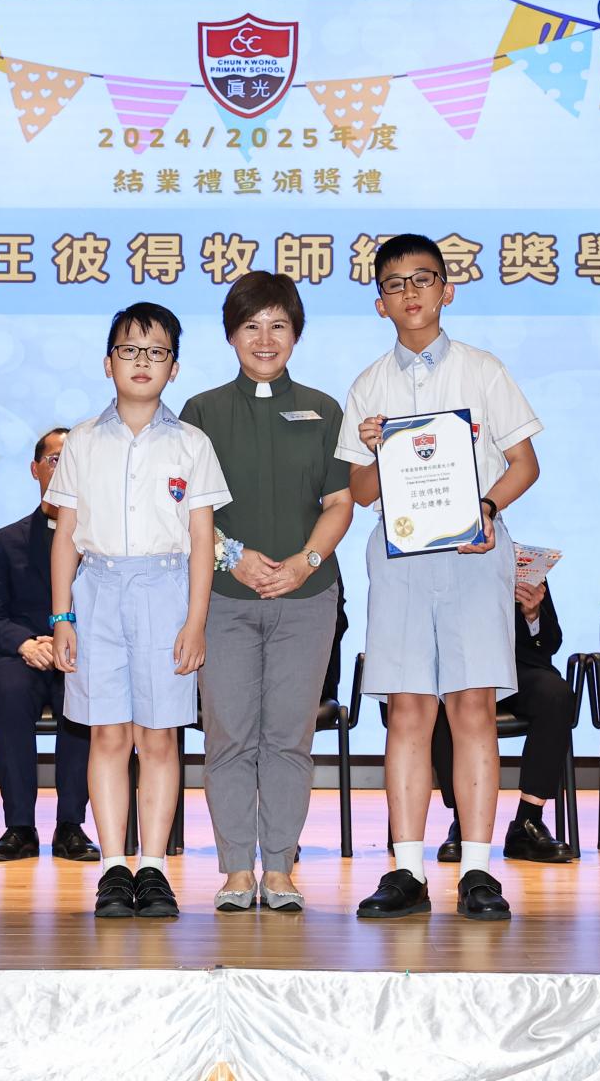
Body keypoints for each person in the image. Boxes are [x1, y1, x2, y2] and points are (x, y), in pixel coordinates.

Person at [338, 233, 541, 920]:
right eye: (395, 284)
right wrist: (373, 450)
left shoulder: (483, 370)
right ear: (380, 302)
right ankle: (406, 869)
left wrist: (486, 508)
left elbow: (524, 464)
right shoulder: (369, 384)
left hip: (473, 554)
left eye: (423, 279)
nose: (411, 293)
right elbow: (360, 492)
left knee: (473, 706)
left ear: (447, 289)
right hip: (400, 559)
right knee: (408, 711)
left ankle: (478, 870)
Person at [49, 301, 229, 919]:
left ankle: (151, 867)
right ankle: (111, 867)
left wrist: (196, 621)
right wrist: (62, 617)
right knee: (107, 734)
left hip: (165, 589)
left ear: (174, 368)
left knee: (158, 736)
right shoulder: (81, 440)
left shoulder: (191, 443)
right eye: (130, 350)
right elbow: (66, 534)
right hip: (97, 591)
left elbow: (202, 538)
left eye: (157, 352)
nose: (142, 362)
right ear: (109, 362)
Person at [180, 271, 353, 913]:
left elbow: (340, 503)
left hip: (307, 600)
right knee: (228, 736)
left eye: (279, 324)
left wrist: (307, 562)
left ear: (296, 334)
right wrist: (234, 557)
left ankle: (279, 868)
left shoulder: (324, 409)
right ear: (231, 335)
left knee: (288, 737)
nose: (265, 338)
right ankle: (234, 869)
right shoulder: (200, 412)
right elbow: (187, 510)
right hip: (224, 599)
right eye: (251, 325)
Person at [0, 427, 100, 863]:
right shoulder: (6, 540)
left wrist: (71, 640)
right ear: (35, 469)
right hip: (21, 656)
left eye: (73, 460)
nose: (64, 469)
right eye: (55, 459)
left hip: (80, 653)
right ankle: (20, 827)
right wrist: (26, 644)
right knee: (9, 690)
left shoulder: (100, 540)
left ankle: (71, 826)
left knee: (83, 693)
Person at [432, 579, 577, 864]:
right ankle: (464, 820)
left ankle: (528, 821)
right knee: (442, 702)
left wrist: (532, 615)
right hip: (461, 667)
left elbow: (551, 642)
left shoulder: (519, 564)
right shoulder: (441, 562)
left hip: (517, 668)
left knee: (556, 695)